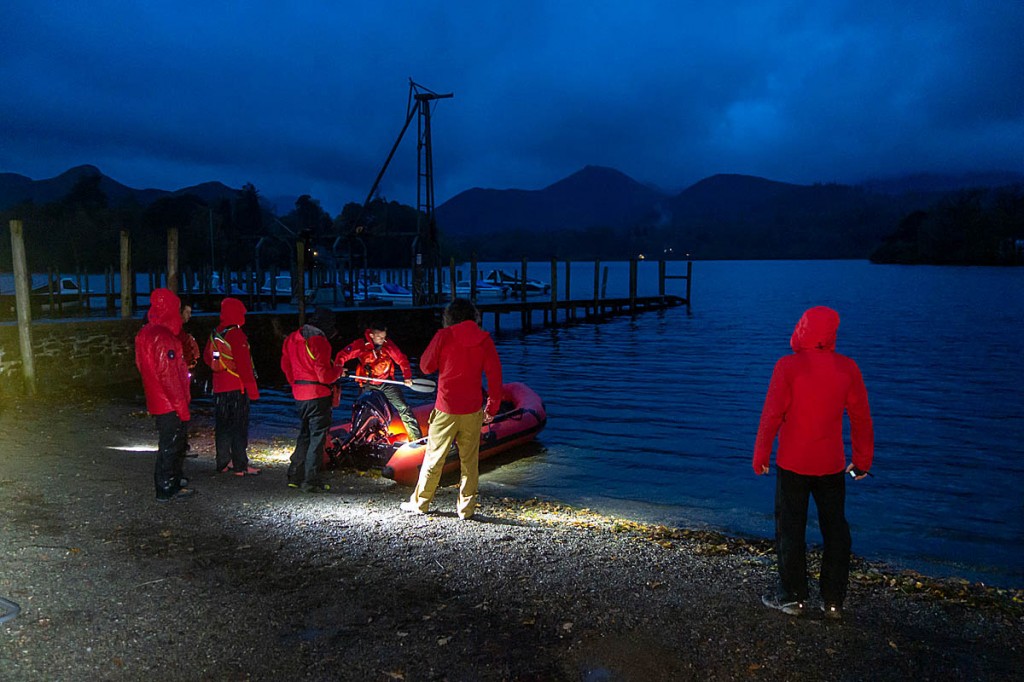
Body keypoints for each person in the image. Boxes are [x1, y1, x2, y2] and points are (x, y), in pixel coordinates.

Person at [753, 306, 873, 621]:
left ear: (802, 328)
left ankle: (793, 598)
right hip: (831, 465)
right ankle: (833, 601)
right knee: (835, 531)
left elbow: (771, 415)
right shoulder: (847, 368)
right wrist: (862, 462)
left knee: (790, 529)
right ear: (832, 333)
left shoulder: (787, 367)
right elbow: (861, 418)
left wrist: (761, 455)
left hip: (793, 462)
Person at [400, 298, 502, 520]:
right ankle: (466, 509)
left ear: (450, 317)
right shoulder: (484, 339)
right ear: (473, 316)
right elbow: (495, 376)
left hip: (446, 408)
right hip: (472, 409)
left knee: (434, 457)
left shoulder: (444, 336)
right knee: (469, 461)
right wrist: (492, 408)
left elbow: (426, 367)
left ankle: (421, 503)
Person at [135, 288, 195, 502]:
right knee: (172, 444)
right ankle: (167, 486)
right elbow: (169, 376)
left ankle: (172, 480)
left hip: (158, 399)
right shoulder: (164, 337)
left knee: (170, 443)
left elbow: (142, 365)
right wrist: (182, 406)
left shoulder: (146, 333)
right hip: (169, 402)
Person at [280, 307, 342, 493]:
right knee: (317, 438)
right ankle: (310, 480)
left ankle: (294, 475)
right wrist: (338, 371)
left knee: (305, 434)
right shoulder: (320, 341)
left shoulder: (292, 338)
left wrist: (295, 384)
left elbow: (285, 365)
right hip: (318, 394)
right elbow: (324, 376)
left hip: (300, 394)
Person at [334, 322, 423, 442]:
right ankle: (360, 439)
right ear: (371, 335)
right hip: (368, 384)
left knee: (403, 407)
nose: (383, 340)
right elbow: (342, 355)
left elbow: (402, 360)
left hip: (386, 382)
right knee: (363, 411)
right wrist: (338, 368)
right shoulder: (360, 345)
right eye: (379, 337)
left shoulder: (388, 345)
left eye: (384, 337)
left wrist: (407, 377)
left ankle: (416, 438)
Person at [203, 297, 261, 476]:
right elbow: (244, 365)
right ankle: (240, 465)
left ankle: (222, 462)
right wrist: (253, 390)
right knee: (239, 426)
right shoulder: (236, 334)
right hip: (237, 387)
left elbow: (207, 357)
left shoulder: (216, 333)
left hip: (219, 388)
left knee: (222, 426)